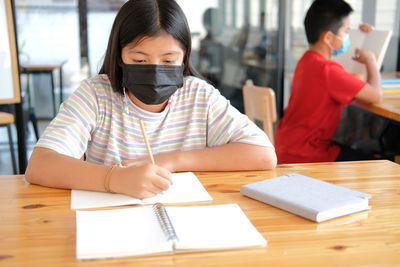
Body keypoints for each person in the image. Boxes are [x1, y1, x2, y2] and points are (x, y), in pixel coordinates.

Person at [25, 0, 276, 199]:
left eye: (168, 61)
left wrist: (173, 160)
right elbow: (40, 165)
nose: (155, 70)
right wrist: (113, 179)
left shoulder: (200, 97)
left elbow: (264, 155)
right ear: (120, 55)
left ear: (185, 58)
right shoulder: (95, 96)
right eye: (140, 61)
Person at [274, 0, 382, 164]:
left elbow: (346, 76)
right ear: (328, 37)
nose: (348, 37)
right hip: (307, 154)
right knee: (378, 164)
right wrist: (371, 61)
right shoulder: (328, 71)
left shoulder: (307, 60)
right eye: (346, 31)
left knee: (360, 152)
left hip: (288, 146)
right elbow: (376, 95)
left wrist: (362, 38)